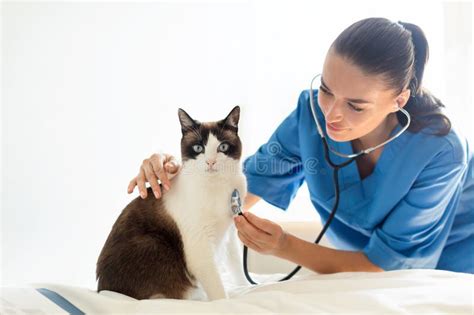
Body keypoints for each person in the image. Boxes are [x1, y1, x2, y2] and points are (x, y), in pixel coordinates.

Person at [128, 18, 474, 274]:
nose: (331, 115)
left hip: (454, 266)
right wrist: (176, 176)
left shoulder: (442, 153)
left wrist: (284, 246)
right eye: (326, 89)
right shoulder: (309, 116)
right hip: (358, 265)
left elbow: (391, 268)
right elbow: (233, 195)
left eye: (355, 105)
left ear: (399, 100)